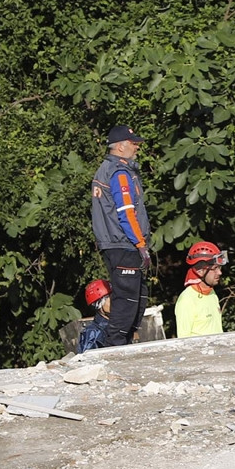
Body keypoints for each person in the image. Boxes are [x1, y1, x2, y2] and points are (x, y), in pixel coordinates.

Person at [90, 124, 151, 346]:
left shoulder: (106, 169)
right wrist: (141, 244)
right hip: (124, 244)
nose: (137, 148)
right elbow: (126, 212)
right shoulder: (119, 172)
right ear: (121, 146)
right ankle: (115, 350)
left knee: (138, 298)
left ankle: (122, 346)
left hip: (115, 244)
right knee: (127, 303)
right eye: (134, 144)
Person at [175, 241, 227, 338]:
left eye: (219, 267)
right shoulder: (187, 300)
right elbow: (183, 340)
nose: (219, 272)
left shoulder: (211, 293)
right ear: (200, 271)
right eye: (215, 268)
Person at [77, 280, 113, 353]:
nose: (116, 303)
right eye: (111, 299)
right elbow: (87, 358)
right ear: (99, 303)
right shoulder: (92, 333)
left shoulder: (119, 325)